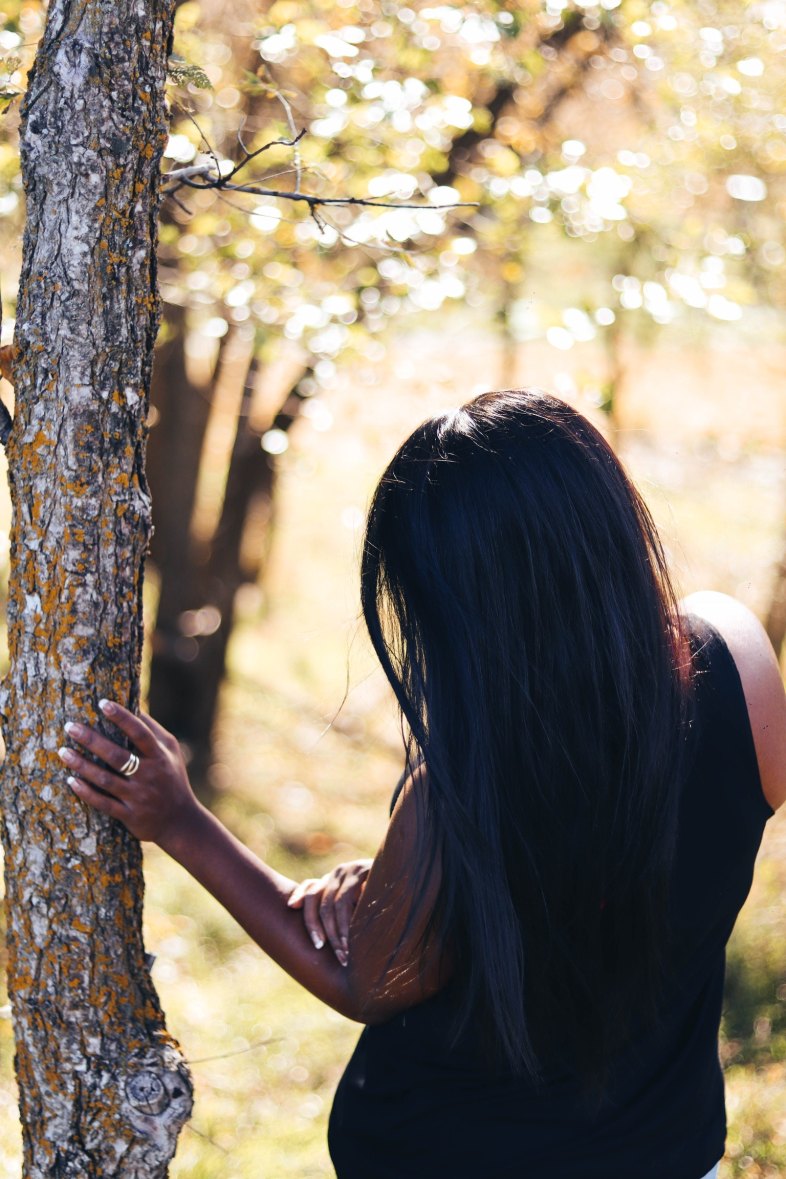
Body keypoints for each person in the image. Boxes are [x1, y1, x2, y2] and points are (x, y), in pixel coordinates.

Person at [60, 389, 786, 1179]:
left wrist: (181, 820)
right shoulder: (742, 663)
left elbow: (364, 983)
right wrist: (400, 891)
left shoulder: (461, 791)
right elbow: (624, 854)